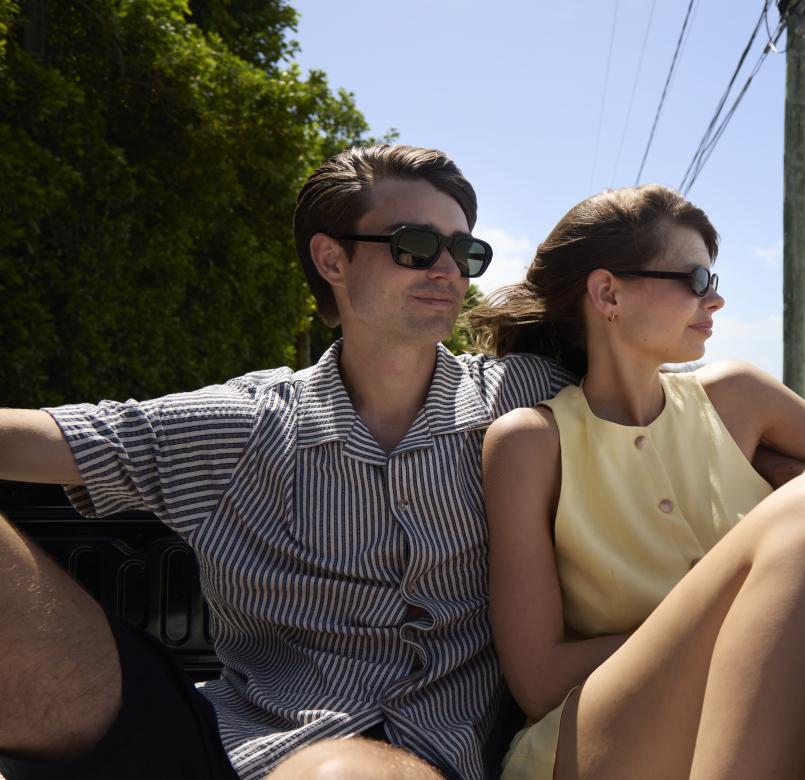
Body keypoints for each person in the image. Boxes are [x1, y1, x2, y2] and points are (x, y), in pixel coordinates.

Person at [0, 144, 574, 780]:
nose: (448, 270)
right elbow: (33, 439)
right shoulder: (247, 423)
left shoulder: (525, 399)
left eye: (465, 252)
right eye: (415, 244)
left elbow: (682, 404)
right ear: (332, 258)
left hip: (418, 759)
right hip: (224, 745)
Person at [472, 184, 805, 779]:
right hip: (593, 743)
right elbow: (538, 681)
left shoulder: (737, 396)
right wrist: (748, 613)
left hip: (770, 734)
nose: (717, 298)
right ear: (608, 293)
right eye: (697, 279)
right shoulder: (530, 441)